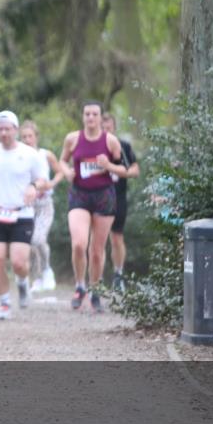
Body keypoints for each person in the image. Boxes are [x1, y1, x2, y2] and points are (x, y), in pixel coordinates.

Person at [0, 111, 49, 319]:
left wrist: (34, 186)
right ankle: (5, 303)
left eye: (8, 128)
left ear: (15, 130)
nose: (4, 132)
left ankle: (22, 283)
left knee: (18, 263)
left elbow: (43, 180)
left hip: (22, 214)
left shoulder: (30, 154)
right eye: (0, 129)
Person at [58, 101, 131, 312]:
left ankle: (95, 288)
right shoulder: (72, 139)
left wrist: (108, 166)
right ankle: (80, 285)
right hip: (79, 195)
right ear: (83, 117)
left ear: (100, 118)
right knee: (79, 244)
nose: (90, 118)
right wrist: (66, 171)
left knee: (97, 251)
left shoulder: (111, 142)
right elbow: (62, 161)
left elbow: (125, 169)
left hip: (104, 196)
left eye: (94, 114)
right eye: (87, 114)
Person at [18, 120, 63, 293]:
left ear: (36, 137)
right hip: (26, 206)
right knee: (28, 244)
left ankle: (46, 270)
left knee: (38, 239)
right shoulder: (18, 157)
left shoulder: (46, 155)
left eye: (30, 136)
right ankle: (36, 278)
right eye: (23, 137)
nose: (27, 140)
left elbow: (59, 172)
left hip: (44, 206)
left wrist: (51, 184)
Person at [101, 113, 140, 292]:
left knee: (116, 238)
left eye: (108, 128)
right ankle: (97, 278)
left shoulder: (123, 146)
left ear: (114, 128)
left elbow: (134, 170)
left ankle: (118, 275)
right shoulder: (93, 147)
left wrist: (119, 171)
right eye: (103, 128)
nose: (105, 131)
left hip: (118, 197)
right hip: (97, 198)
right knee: (97, 240)